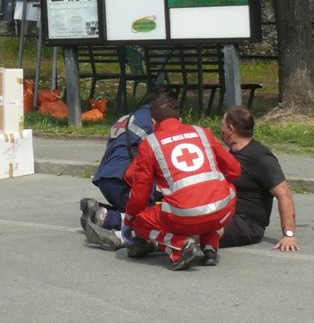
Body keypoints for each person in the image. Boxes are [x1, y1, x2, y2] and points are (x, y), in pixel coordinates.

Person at [124, 88, 242, 271]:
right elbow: (235, 171)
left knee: (141, 222)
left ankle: (182, 245)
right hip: (222, 210)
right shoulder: (203, 133)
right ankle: (210, 247)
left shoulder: (151, 143)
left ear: (153, 122)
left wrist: (130, 219)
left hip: (183, 216)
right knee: (214, 199)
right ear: (180, 119)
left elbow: (140, 193)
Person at [77, 89, 166, 252]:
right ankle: (107, 218)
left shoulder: (128, 117)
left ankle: (99, 209)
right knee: (151, 214)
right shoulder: (154, 121)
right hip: (123, 178)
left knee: (134, 207)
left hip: (105, 176)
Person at [218, 105, 301, 252]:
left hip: (247, 223)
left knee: (201, 230)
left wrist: (289, 235)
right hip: (227, 215)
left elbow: (284, 194)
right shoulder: (231, 155)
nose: (221, 131)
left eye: (222, 126)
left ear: (231, 129)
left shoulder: (260, 157)